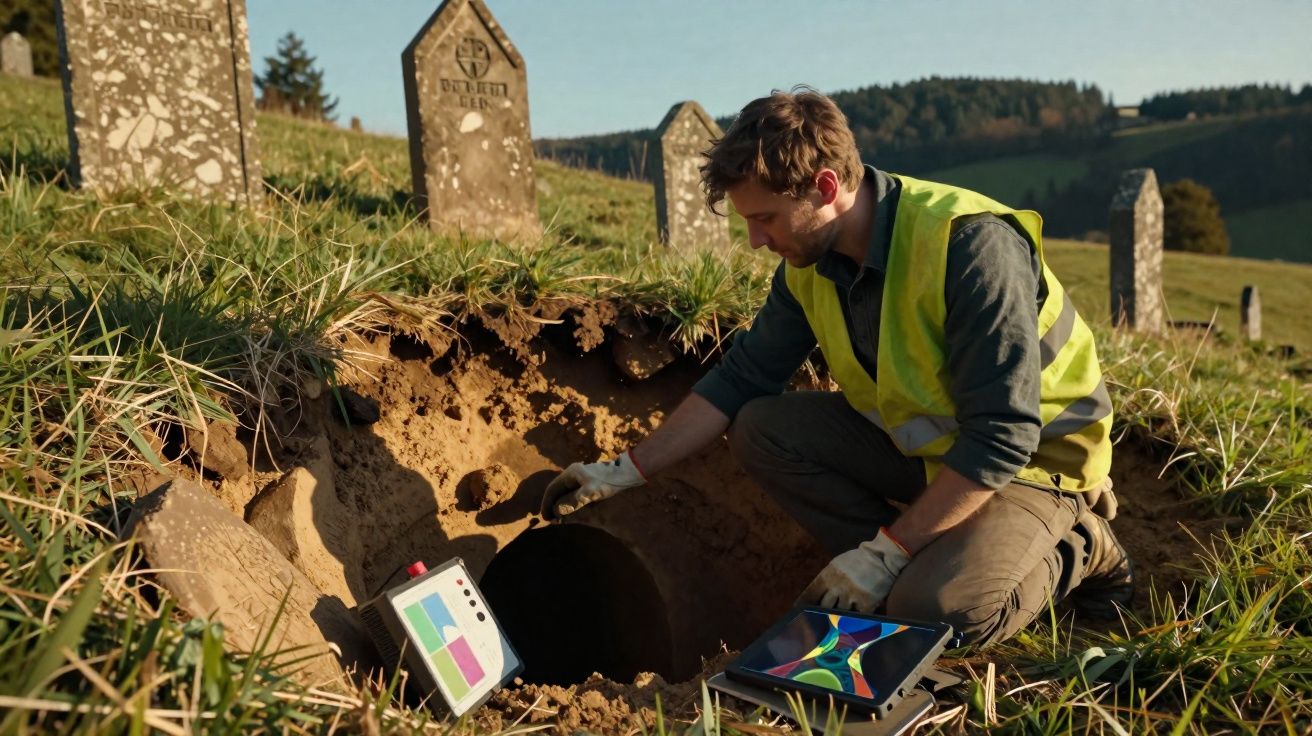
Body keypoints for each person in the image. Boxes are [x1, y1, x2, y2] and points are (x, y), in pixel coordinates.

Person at [543, 87, 1133, 647]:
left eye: (766, 218)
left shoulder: (969, 246)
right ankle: (905, 564)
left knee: (936, 614)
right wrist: (626, 470)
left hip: (1033, 461)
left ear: (826, 187)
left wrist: (886, 553)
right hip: (932, 451)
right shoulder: (808, 262)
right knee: (761, 428)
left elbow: (1004, 436)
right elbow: (742, 380)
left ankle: (1078, 545)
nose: (753, 240)